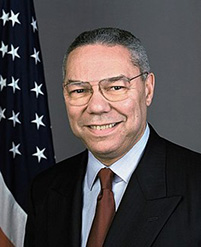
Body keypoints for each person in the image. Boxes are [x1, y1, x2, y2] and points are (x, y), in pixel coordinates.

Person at [24, 27, 201, 247]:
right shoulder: (44, 189)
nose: (97, 107)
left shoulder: (195, 183)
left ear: (148, 89)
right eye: (79, 90)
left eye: (115, 87)